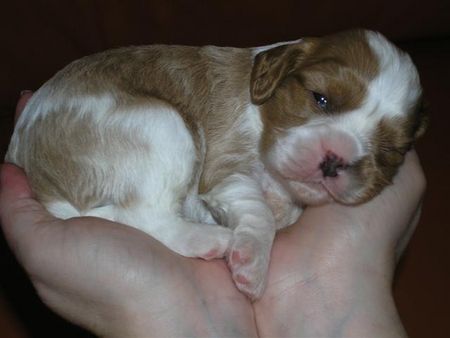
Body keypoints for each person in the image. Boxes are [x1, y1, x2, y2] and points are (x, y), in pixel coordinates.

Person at [0, 92, 425, 337]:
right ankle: (154, 220)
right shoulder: (235, 113)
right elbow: (222, 175)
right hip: (114, 148)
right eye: (322, 101)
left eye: (386, 148)